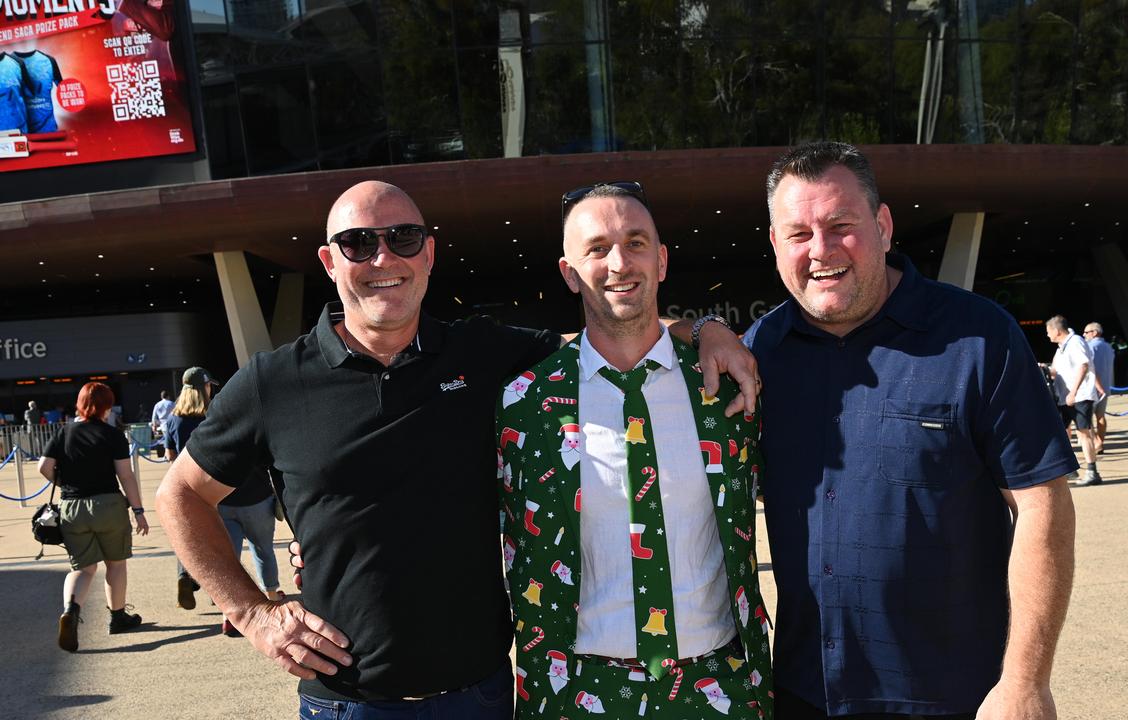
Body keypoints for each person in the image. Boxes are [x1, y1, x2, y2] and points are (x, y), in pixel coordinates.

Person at [155, 180, 755, 718]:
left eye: (403, 238)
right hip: (348, 702)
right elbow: (180, 494)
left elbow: (614, 328)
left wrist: (703, 328)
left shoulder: (485, 354)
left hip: (480, 694)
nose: (384, 258)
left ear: (430, 252)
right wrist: (253, 613)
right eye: (359, 243)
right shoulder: (273, 381)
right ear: (329, 261)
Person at [743, 142, 1077, 719]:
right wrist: (701, 330)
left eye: (840, 226)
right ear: (776, 245)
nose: (820, 250)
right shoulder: (761, 353)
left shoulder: (978, 339)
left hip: (956, 698)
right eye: (798, 234)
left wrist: (1026, 681)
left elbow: (1043, 505)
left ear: (883, 225)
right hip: (803, 694)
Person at [498, 182, 772, 718]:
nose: (619, 262)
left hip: (721, 686)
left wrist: (710, 328)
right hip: (577, 691)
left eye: (637, 242)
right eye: (597, 248)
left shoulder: (726, 385)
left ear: (663, 260)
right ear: (569, 272)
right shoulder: (524, 402)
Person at [165, 366, 285, 633]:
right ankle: (273, 597)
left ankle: (228, 612)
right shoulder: (219, 414)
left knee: (224, 555)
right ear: (205, 387)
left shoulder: (175, 419)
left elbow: (171, 457)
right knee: (263, 549)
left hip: (213, 498)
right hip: (253, 494)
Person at [37, 382, 149, 653]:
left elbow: (44, 467)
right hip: (108, 505)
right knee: (115, 563)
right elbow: (126, 476)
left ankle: (71, 611)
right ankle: (117, 617)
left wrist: (64, 483)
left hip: (72, 507)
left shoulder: (63, 433)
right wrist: (138, 511)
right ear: (106, 407)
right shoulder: (112, 436)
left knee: (83, 569)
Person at [1046, 315, 1102, 487]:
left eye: (1048, 332)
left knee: (1083, 433)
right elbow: (1055, 370)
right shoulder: (1061, 348)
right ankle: (1070, 469)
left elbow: (1083, 365)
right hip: (1065, 397)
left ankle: (1092, 471)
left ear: (1056, 330)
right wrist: (1043, 368)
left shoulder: (1076, 342)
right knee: (1060, 432)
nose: (1047, 335)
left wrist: (1074, 391)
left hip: (1079, 396)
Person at [1084, 322, 1114, 454]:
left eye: (1086, 332)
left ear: (1094, 332)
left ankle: (1097, 442)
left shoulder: (1090, 347)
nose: (1084, 335)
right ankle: (1100, 442)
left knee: (1086, 418)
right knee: (1100, 416)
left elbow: (1088, 367)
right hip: (1106, 386)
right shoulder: (1108, 347)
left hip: (1092, 387)